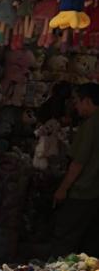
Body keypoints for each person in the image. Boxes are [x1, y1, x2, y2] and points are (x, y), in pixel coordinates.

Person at [52, 83, 99, 257]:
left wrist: (62, 189)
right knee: (90, 242)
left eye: (77, 101)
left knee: (65, 238)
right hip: (95, 193)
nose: (76, 106)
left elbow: (78, 162)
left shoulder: (90, 125)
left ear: (87, 101)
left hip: (82, 191)